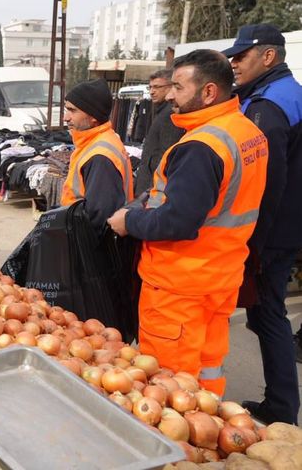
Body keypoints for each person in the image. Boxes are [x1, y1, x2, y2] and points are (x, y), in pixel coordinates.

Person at [107, 50, 268, 396]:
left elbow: (178, 221)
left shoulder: (202, 146)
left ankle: (177, 446)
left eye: (178, 88)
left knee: (167, 386)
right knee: (207, 367)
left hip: (179, 286)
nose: (168, 96)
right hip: (219, 276)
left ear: (208, 92)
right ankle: (208, 431)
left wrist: (129, 220)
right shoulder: (246, 131)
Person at [222, 24, 302, 424]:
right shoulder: (279, 94)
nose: (233, 64)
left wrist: (253, 246)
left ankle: (283, 410)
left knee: (267, 312)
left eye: (241, 56)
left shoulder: (270, 104)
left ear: (268, 56)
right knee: (266, 313)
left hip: (273, 231)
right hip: (285, 226)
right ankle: (282, 404)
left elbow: (269, 184)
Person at [60, 78, 134, 231]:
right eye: (66, 110)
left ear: (93, 116)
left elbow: (98, 217)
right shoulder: (97, 142)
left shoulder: (100, 155)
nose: (66, 117)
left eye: (72, 110)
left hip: (89, 246)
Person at [134, 69, 186, 195]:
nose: (152, 91)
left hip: (152, 189)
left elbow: (164, 156)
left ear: (170, 87)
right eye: (150, 87)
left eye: (157, 87)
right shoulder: (160, 111)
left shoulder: (169, 114)